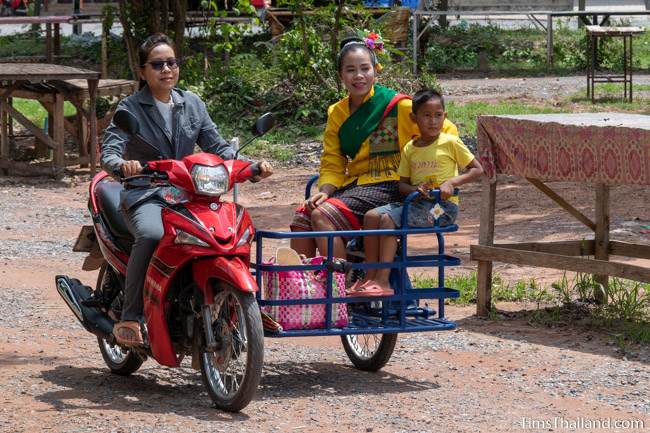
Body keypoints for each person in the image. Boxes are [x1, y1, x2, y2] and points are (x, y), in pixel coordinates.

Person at [101, 33, 273, 346]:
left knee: (224, 235)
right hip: (146, 193)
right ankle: (131, 315)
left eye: (171, 62)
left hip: (189, 194)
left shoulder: (191, 103)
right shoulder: (131, 107)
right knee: (153, 234)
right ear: (142, 72)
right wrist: (121, 165)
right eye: (157, 64)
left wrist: (250, 166)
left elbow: (218, 146)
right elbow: (110, 150)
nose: (166, 69)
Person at [290, 34, 459, 260]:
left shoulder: (398, 105)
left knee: (323, 215)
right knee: (303, 216)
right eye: (350, 70)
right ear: (341, 75)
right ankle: (308, 287)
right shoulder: (337, 112)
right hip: (357, 186)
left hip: (392, 184)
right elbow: (333, 160)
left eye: (364, 68)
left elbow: (445, 129)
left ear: (375, 70)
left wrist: (427, 166)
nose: (358, 76)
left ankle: (340, 286)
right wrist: (324, 191)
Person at [353, 88, 484, 295]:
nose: (433, 121)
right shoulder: (410, 149)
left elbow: (477, 169)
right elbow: (401, 185)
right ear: (414, 118)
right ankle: (369, 276)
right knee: (371, 216)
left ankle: (383, 281)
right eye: (427, 115)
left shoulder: (450, 142)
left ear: (445, 117)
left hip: (442, 209)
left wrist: (451, 182)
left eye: (438, 115)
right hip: (416, 203)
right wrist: (415, 189)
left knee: (387, 220)